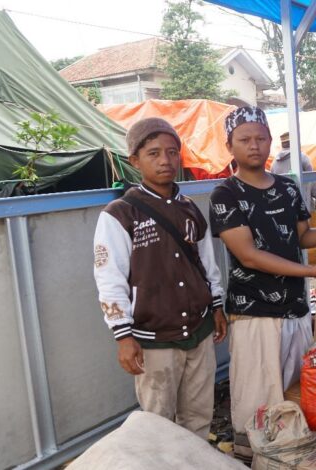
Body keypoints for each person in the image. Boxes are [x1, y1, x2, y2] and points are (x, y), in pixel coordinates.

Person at [209, 106, 316, 461]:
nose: (254, 145)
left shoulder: (288, 187)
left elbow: (302, 238)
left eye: (260, 138)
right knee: (257, 398)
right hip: (255, 314)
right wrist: (312, 274)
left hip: (296, 311)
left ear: (271, 141)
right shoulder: (225, 195)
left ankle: (293, 459)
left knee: (296, 394)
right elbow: (249, 255)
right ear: (230, 146)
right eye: (244, 139)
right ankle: (252, 458)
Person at [93, 118, 227, 438]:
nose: (165, 161)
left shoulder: (191, 209)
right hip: (153, 338)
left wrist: (217, 305)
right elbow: (108, 278)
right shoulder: (119, 213)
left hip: (200, 329)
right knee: (158, 424)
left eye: (171, 152)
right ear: (134, 161)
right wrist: (123, 335)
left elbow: (208, 263)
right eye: (153, 153)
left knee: (198, 417)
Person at [272, 132, 316, 263]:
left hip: (284, 208)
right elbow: (312, 182)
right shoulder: (303, 158)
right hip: (305, 206)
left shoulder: (274, 163)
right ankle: (314, 264)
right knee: (313, 236)